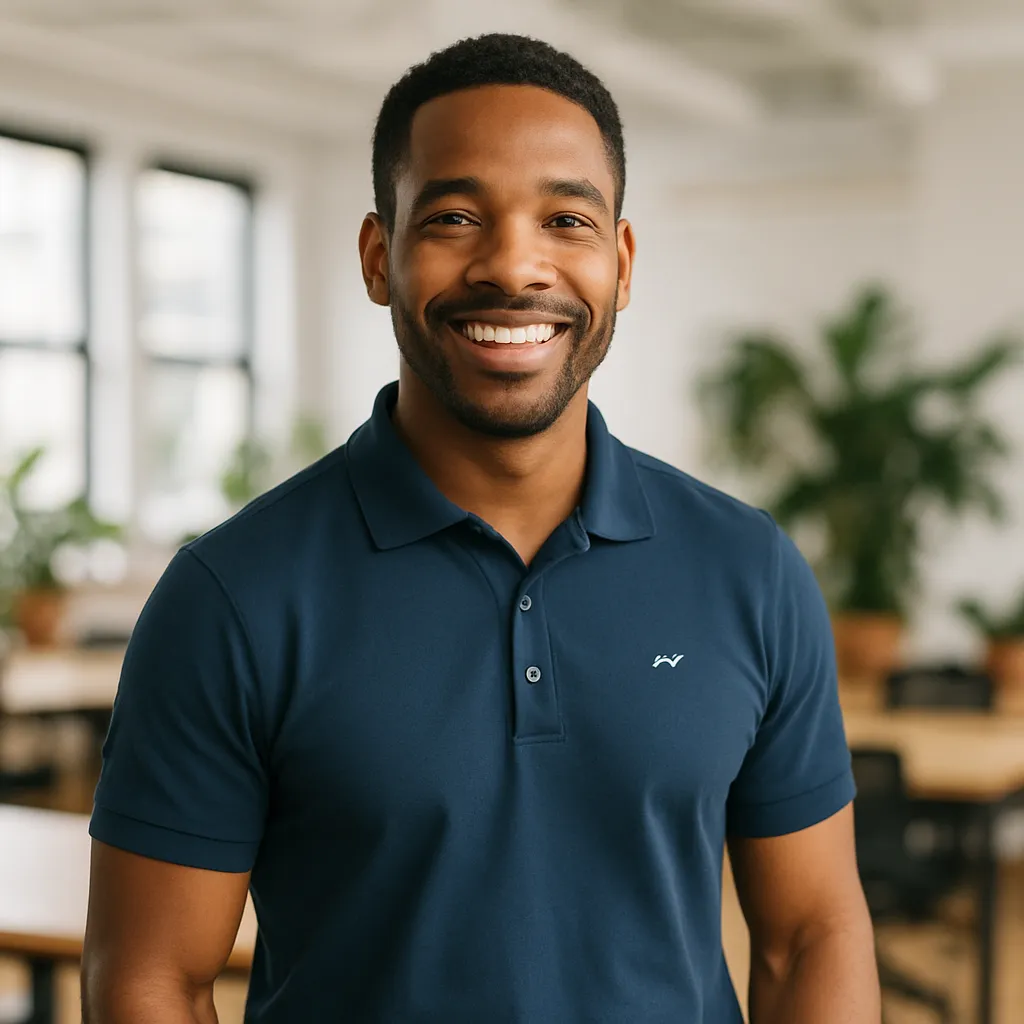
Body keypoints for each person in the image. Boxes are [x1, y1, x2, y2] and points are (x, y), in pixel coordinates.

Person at [82, 33, 879, 1024]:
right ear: (381, 257)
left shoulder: (748, 571)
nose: (512, 264)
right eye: (455, 217)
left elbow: (812, 934)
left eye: (566, 219)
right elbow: (149, 978)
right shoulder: (233, 597)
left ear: (620, 264)